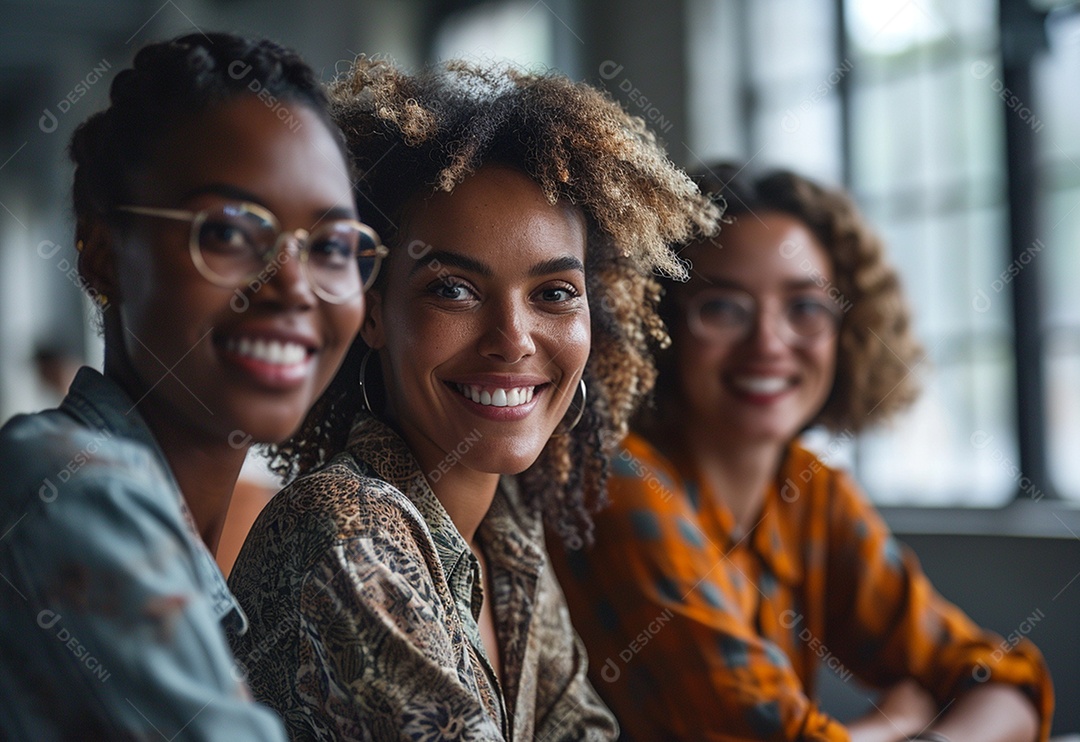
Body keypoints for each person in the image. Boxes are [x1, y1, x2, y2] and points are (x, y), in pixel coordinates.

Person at [227, 58, 719, 740]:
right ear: (374, 312)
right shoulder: (346, 530)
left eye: (554, 293)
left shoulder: (506, 530)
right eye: (453, 289)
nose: (513, 340)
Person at [551, 162, 1054, 741]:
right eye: (723, 307)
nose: (769, 343)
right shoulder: (612, 481)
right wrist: (890, 724)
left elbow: (1005, 683)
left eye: (807, 308)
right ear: (657, 322)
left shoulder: (811, 492)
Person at [0, 32, 381, 739]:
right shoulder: (68, 491)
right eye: (229, 233)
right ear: (103, 255)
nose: (294, 286)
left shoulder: (209, 546)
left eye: (330, 246)